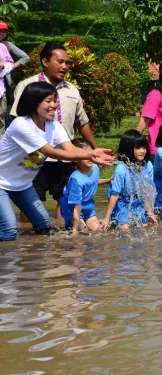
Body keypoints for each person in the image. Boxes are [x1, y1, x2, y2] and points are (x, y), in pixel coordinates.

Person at [0, 82, 112, 241]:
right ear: (33, 102)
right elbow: (50, 151)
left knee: (44, 226)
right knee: (10, 230)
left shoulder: (54, 126)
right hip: (1, 182)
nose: (54, 105)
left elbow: (71, 150)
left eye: (55, 100)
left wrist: (91, 153)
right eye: (48, 101)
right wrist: (88, 156)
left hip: (22, 185)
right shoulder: (21, 125)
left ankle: (33, 261)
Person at [11, 43, 98, 222]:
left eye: (67, 63)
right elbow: (16, 121)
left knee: (66, 200)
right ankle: (29, 242)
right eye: (60, 62)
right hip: (34, 156)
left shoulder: (72, 90)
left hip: (66, 156)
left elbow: (82, 122)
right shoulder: (28, 86)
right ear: (45, 61)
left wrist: (94, 150)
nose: (65, 66)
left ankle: (62, 243)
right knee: (31, 203)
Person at [103, 130, 158, 231]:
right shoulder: (121, 169)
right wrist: (106, 219)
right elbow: (115, 194)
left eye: (144, 147)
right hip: (121, 200)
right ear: (128, 149)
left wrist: (150, 212)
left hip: (137, 199)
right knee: (125, 229)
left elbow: (148, 192)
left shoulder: (148, 166)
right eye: (137, 148)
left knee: (145, 227)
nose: (142, 151)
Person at [59, 138, 111, 234]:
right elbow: (76, 205)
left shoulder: (95, 168)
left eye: (91, 153)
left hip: (87, 206)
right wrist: (75, 231)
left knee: (100, 231)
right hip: (72, 208)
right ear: (75, 158)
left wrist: (107, 180)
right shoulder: (76, 179)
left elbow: (91, 182)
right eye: (85, 154)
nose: (90, 157)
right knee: (83, 232)